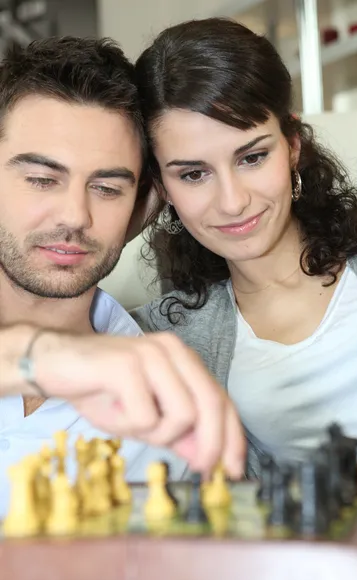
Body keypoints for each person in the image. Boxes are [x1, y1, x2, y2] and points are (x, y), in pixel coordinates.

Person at [132, 18, 357, 495]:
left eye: (252, 157)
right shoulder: (167, 336)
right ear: (161, 185)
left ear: (292, 146)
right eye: (193, 174)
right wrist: (122, 218)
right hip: (334, 561)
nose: (232, 201)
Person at [0, 36, 245, 516]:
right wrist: (39, 356)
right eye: (42, 179)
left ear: (144, 205)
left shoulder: (173, 402)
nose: (75, 216)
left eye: (107, 188)